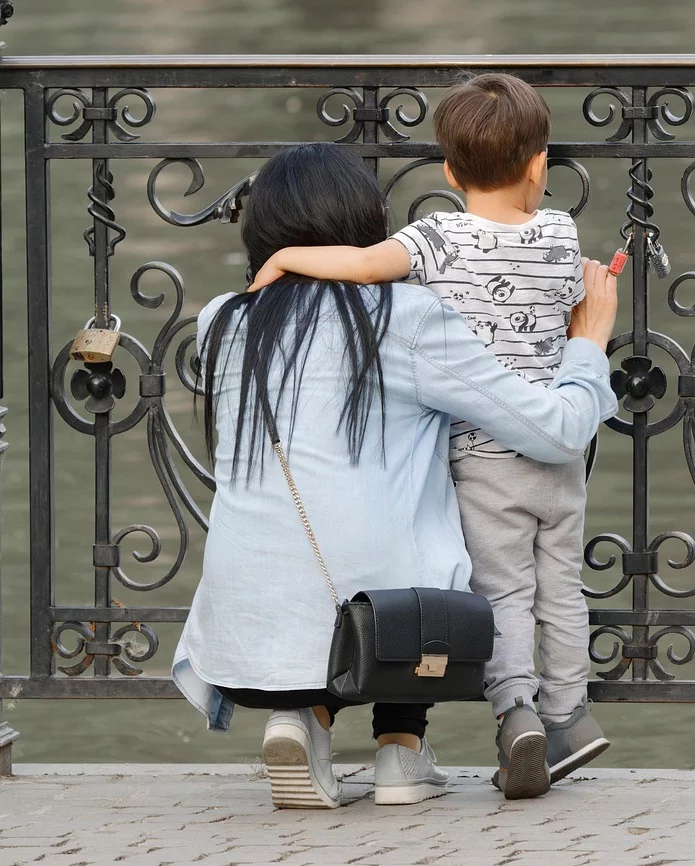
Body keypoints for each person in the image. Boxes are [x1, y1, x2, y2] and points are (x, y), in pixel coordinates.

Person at [171, 141, 618, 810]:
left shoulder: (220, 322)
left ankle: (301, 720)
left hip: (246, 625)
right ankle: (400, 751)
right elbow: (552, 431)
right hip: (394, 631)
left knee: (335, 514)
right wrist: (588, 344)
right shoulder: (407, 320)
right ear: (364, 225)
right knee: (423, 502)